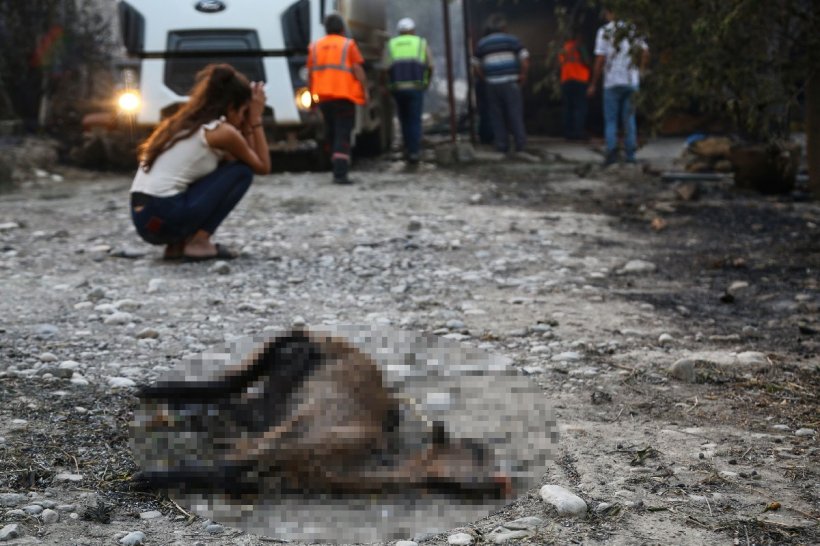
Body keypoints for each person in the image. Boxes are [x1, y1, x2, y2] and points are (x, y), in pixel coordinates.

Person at [129, 63, 270, 261]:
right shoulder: (221, 132)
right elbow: (262, 166)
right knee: (241, 172)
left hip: (145, 220)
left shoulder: (183, 123)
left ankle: (177, 245)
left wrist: (246, 116)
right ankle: (199, 243)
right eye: (243, 111)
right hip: (165, 216)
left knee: (216, 170)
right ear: (231, 107)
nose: (243, 117)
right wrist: (255, 119)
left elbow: (237, 158)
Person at [308, 13, 369, 184]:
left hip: (323, 98)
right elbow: (358, 69)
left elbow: (310, 75)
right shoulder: (348, 45)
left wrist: (312, 100)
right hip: (344, 96)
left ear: (326, 29)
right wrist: (365, 91)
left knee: (332, 132)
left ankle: (333, 164)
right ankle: (340, 173)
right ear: (342, 29)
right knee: (343, 133)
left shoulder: (314, 47)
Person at [587, 8, 649, 166]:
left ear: (609, 13)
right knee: (629, 119)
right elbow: (645, 52)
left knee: (611, 120)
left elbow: (600, 59)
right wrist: (640, 71)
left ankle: (612, 154)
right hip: (631, 81)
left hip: (612, 82)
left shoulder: (604, 31)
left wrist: (594, 83)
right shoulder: (633, 29)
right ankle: (630, 156)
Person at [472, 14, 530, 158]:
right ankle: (520, 145)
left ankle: (501, 145)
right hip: (511, 82)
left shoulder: (482, 43)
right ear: (504, 28)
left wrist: (484, 78)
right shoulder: (513, 40)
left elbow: (475, 66)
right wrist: (523, 75)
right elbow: (525, 59)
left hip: (492, 84)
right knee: (514, 114)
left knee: (496, 116)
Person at [384, 17, 433, 164]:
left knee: (403, 119)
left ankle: (407, 148)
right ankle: (414, 151)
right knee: (414, 120)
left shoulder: (391, 44)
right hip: (416, 88)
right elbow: (430, 66)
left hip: (398, 89)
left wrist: (388, 86)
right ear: (412, 31)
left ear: (400, 32)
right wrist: (426, 83)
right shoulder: (421, 43)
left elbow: (385, 69)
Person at [558, 30, 590, 140]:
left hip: (566, 80)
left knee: (568, 108)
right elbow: (587, 61)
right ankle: (578, 132)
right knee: (580, 108)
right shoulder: (580, 46)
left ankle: (568, 133)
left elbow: (560, 64)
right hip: (579, 80)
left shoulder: (565, 47)